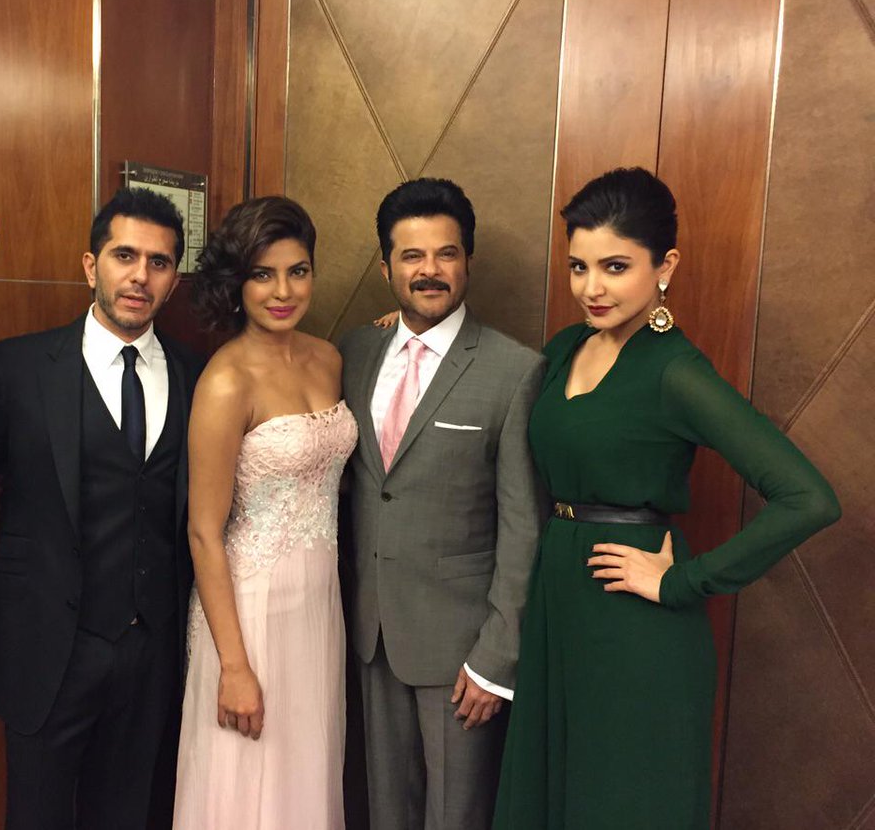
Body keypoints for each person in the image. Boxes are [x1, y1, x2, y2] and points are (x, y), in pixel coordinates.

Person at [492, 167, 841, 830]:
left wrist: (683, 581)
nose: (591, 288)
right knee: (554, 794)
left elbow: (809, 498)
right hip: (559, 603)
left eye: (615, 266)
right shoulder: (566, 347)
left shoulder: (676, 371)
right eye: (579, 267)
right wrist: (411, 327)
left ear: (665, 266)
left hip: (635, 625)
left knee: (621, 803)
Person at [0, 187, 204, 830]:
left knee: (130, 814)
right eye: (125, 255)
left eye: (159, 262)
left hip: (152, 653)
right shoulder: (17, 365)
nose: (140, 276)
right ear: (90, 264)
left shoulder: (196, 373)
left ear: (173, 279)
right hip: (47, 648)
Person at [338, 178, 549, 830]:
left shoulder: (515, 370)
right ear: (386, 268)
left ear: (468, 261)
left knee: (456, 817)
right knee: (385, 813)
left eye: (446, 253)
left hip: (462, 651)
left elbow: (524, 527)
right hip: (370, 636)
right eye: (412, 255)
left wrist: (497, 657)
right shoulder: (353, 352)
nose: (429, 270)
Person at [172, 196, 355, 829]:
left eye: (297, 271)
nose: (283, 291)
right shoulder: (227, 380)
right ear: (237, 283)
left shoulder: (329, 358)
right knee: (249, 783)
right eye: (262, 274)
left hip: (318, 605)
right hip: (248, 612)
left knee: (303, 776)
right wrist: (235, 666)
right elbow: (203, 532)